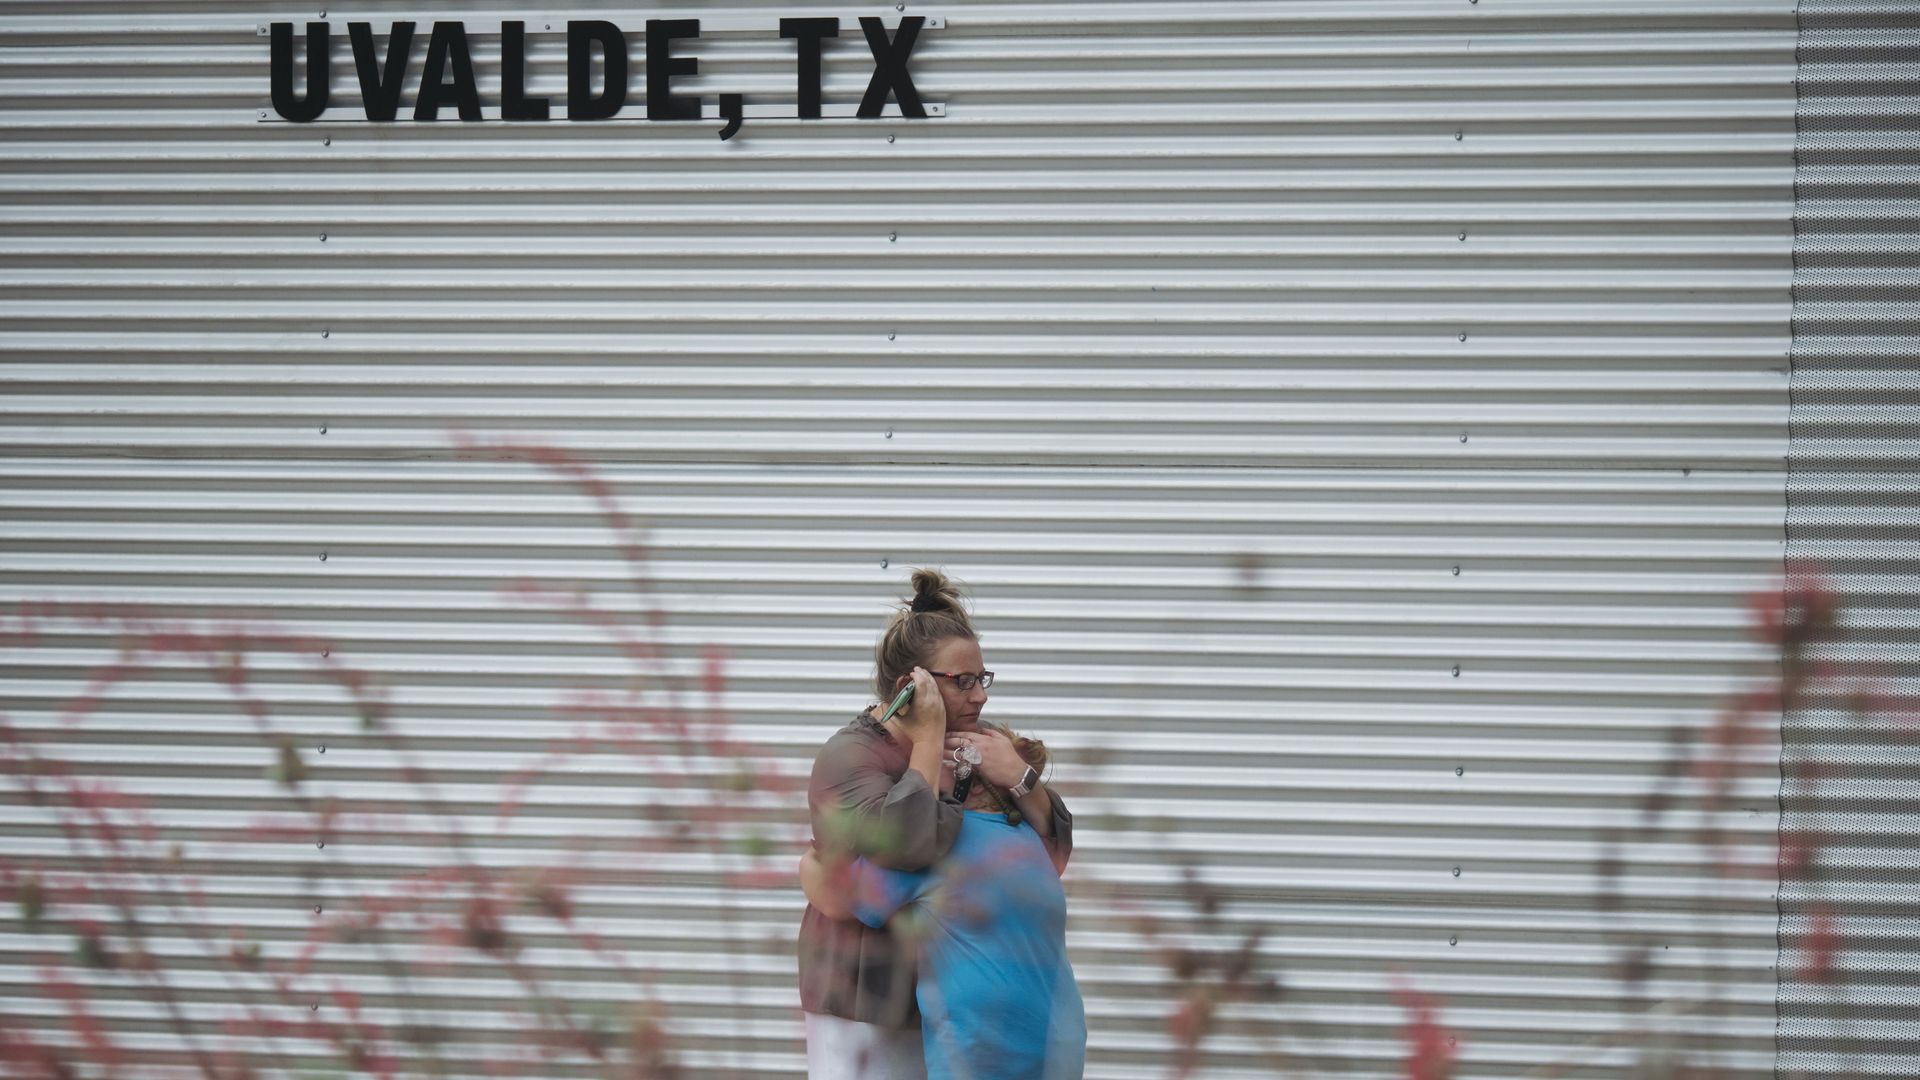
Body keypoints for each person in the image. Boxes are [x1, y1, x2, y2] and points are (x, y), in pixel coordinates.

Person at [798, 569, 1074, 1080]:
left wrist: (1023, 780)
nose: (981, 697)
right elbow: (907, 848)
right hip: (866, 998)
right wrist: (926, 743)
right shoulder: (850, 757)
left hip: (946, 1001)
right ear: (912, 686)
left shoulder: (974, 744)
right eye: (963, 682)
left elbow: (1045, 859)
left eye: (982, 679)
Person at [801, 727, 1087, 1080]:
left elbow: (836, 899)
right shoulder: (1030, 841)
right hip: (1061, 1044)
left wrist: (812, 861)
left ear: (973, 781)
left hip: (984, 1052)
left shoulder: (940, 846)